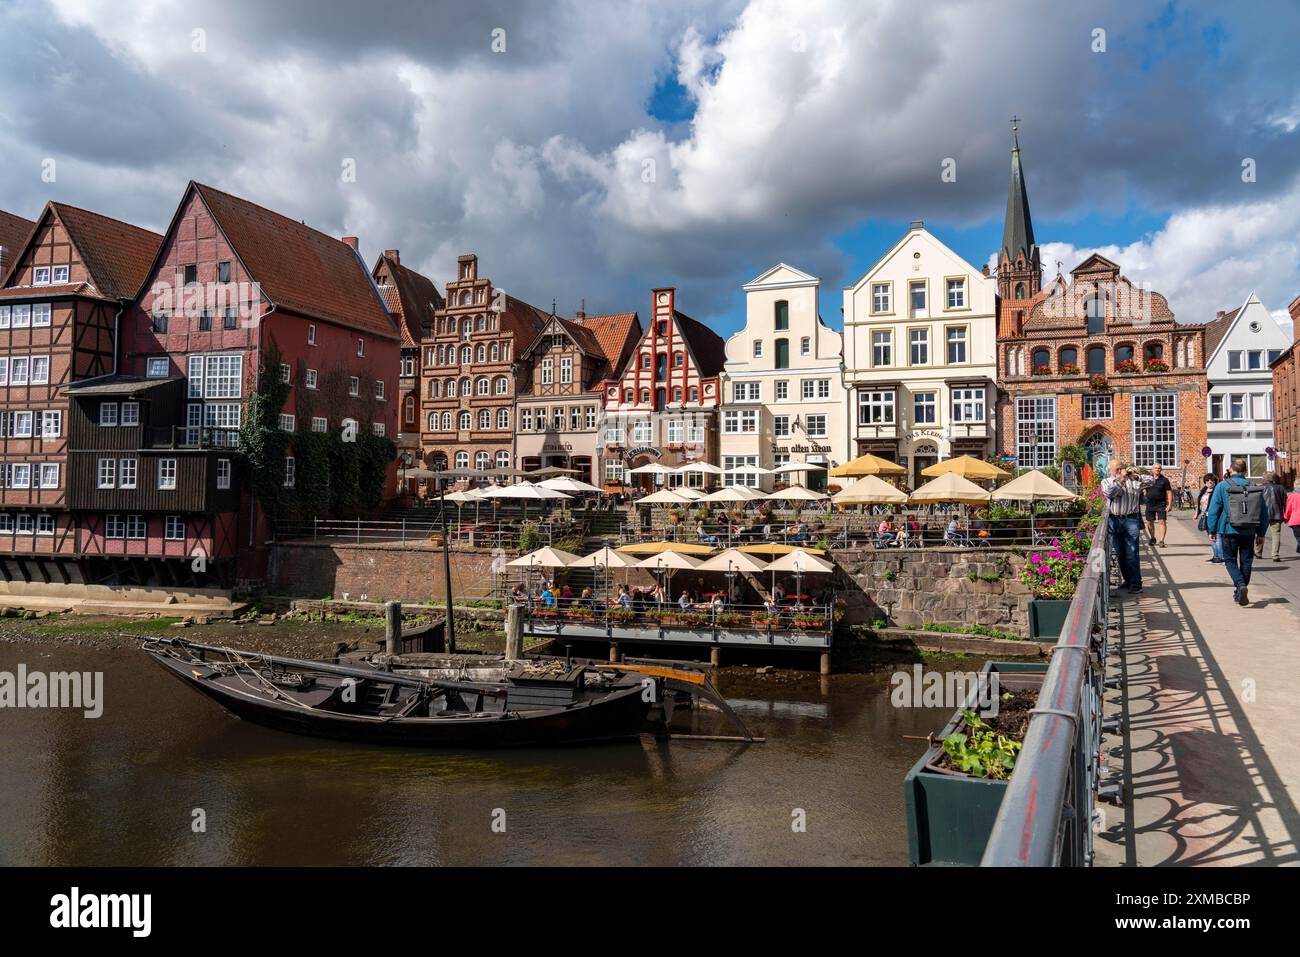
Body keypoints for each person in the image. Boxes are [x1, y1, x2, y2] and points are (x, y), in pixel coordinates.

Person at [1205, 458, 1270, 606]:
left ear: (1230, 470)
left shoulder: (1222, 486)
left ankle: (1240, 585)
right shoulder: (1254, 486)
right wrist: (1261, 533)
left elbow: (1213, 510)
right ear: (1245, 471)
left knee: (1230, 560)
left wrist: (1212, 530)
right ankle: (1241, 588)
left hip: (1229, 529)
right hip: (1249, 530)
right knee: (1246, 561)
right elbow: (1263, 513)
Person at [1101, 460, 1146, 595]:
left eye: (1121, 468)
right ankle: (1128, 580)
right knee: (1120, 554)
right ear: (1110, 470)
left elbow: (1151, 481)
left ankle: (1136, 584)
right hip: (1114, 520)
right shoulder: (1107, 481)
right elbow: (1110, 493)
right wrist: (1121, 480)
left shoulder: (1133, 480)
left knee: (1132, 553)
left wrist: (1136, 475)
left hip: (1131, 520)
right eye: (1117, 469)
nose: (1120, 471)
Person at [1258, 473, 1288, 562]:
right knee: (1276, 534)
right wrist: (1285, 514)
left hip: (1263, 515)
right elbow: (1285, 502)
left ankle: (1258, 552)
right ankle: (1275, 555)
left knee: (1260, 533)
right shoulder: (1280, 488)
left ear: (1264, 479)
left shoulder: (1260, 488)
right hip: (1277, 514)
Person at [1142, 463, 1173, 547]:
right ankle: (1152, 538)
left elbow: (1169, 492)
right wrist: (1144, 490)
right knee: (1149, 522)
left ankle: (1161, 540)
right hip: (1150, 503)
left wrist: (1170, 504)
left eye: (1159, 468)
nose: (1157, 469)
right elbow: (1142, 487)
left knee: (1162, 521)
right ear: (1152, 469)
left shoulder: (1164, 480)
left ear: (1161, 469)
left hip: (1161, 504)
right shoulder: (1148, 479)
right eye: (1155, 468)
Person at [1194, 473, 1222, 563]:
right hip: (1204, 516)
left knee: (1216, 536)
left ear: (1215, 482)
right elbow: (1199, 503)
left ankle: (1221, 557)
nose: (1210, 482)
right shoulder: (1203, 490)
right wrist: (1196, 513)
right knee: (1211, 536)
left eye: (1212, 481)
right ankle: (1215, 555)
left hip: (1215, 516)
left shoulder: (1217, 491)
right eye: (1207, 481)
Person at [1285, 480, 1300, 555]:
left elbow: (1288, 509)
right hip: (1296, 520)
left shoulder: (1292, 496)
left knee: (1298, 537)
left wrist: (1286, 517)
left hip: (1296, 520)